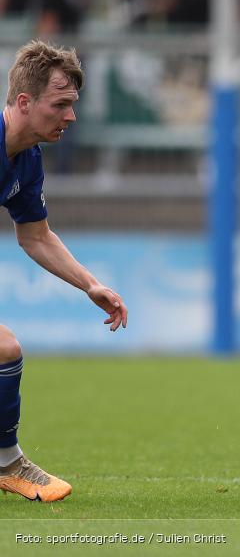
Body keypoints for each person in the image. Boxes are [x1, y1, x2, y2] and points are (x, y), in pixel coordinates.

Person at [0, 40, 128, 502]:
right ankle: (8, 463)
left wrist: (89, 284)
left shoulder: (27, 158)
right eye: (61, 104)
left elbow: (34, 235)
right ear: (23, 102)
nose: (71, 116)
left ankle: (7, 463)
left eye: (72, 104)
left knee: (3, 351)